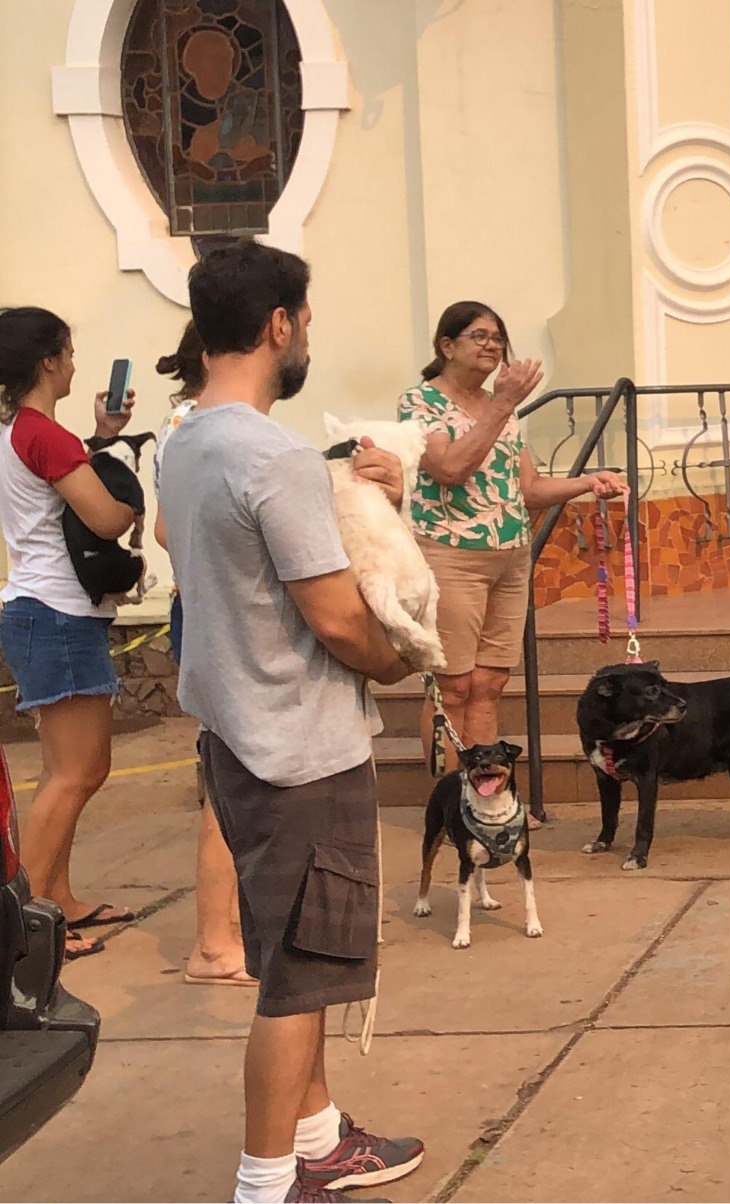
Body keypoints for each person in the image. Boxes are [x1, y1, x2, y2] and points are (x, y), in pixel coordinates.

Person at [162, 242, 428, 1203]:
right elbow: (339, 619)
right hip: (300, 752)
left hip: (236, 738)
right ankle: (269, 1182)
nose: (306, 332)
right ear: (278, 324)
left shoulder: (188, 441)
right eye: (305, 318)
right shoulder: (271, 457)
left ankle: (317, 1139)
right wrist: (405, 659)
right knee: (300, 981)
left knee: (293, 958)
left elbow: (217, 560)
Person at [403, 302, 622, 795]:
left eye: (498, 336)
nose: (492, 345)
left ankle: (487, 799)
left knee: (489, 685)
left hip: (510, 557)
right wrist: (501, 404)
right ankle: (450, 803)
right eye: (478, 335)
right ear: (447, 346)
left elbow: (527, 490)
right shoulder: (421, 403)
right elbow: (450, 468)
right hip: (450, 557)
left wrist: (588, 482)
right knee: (452, 687)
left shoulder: (501, 411)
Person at [0, 306, 140, 961]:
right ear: (48, 361)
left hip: (43, 610)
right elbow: (104, 518)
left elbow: (55, 482)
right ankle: (25, 927)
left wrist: (101, 435)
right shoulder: (43, 436)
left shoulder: (20, 430)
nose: (76, 362)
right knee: (71, 773)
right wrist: (133, 502)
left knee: (83, 768)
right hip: (55, 613)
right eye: (69, 351)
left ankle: (56, 898)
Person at [145, 322, 254, 987]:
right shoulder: (201, 427)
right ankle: (215, 943)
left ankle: (231, 931)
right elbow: (166, 525)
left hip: (208, 607)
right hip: (218, 611)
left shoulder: (186, 424)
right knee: (229, 784)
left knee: (235, 777)